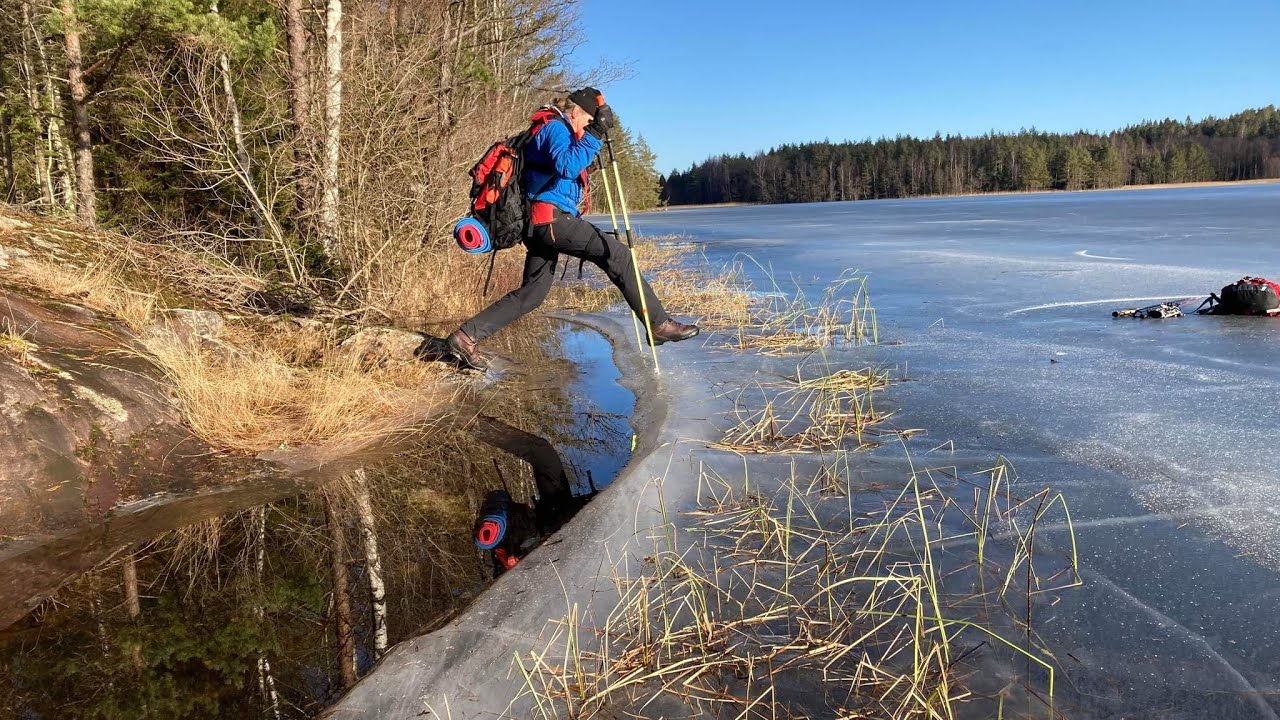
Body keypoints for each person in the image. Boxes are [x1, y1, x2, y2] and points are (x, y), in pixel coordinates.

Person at [447, 87, 699, 370]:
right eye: (590, 122)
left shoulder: (556, 130)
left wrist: (588, 144)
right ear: (576, 112)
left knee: (533, 294)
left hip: (542, 224)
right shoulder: (554, 127)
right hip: (551, 220)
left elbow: (562, 169)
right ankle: (657, 324)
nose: (589, 128)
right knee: (619, 256)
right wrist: (595, 136)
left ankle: (465, 337)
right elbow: (566, 166)